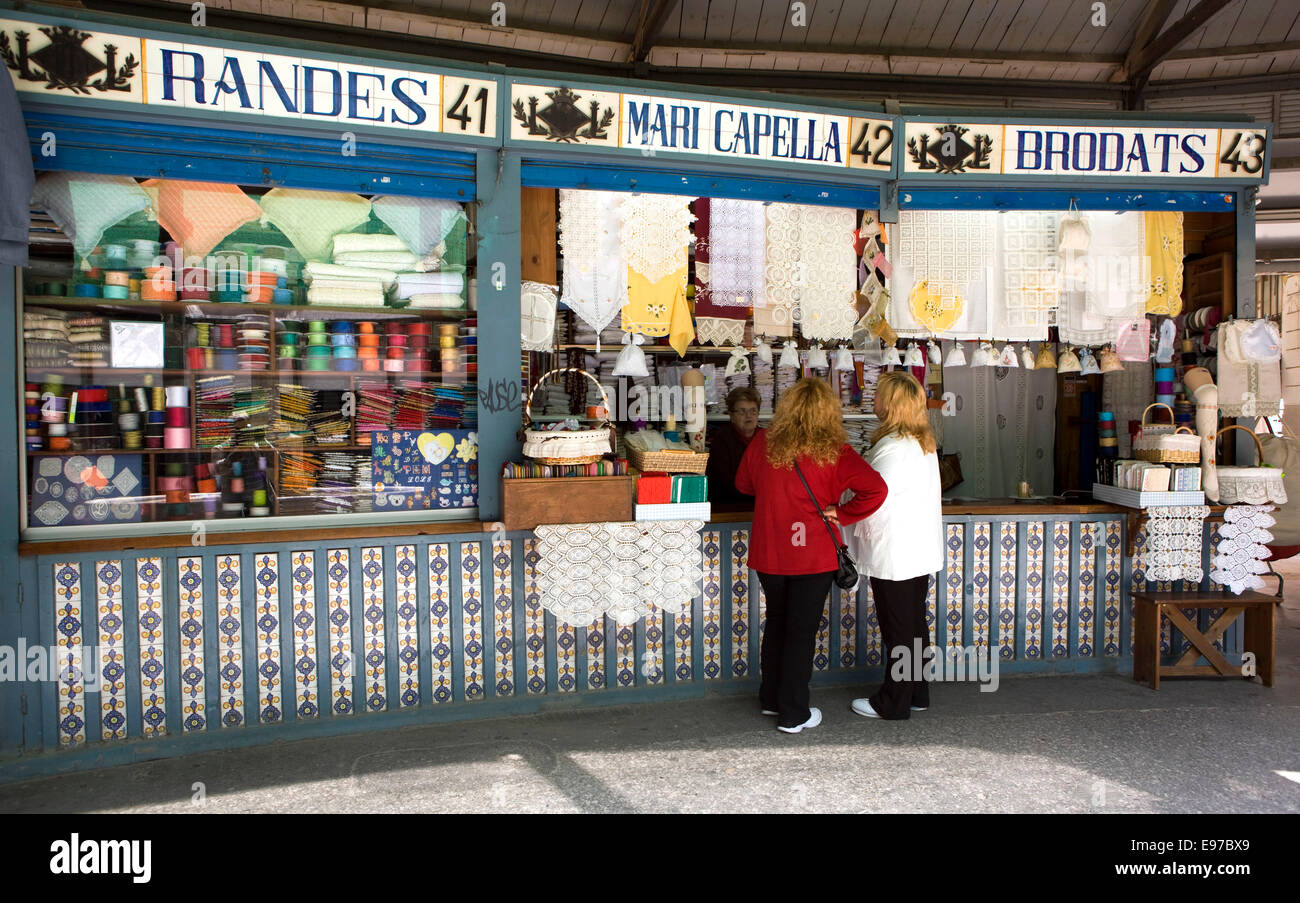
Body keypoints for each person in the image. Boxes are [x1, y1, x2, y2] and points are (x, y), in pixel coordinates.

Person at [736, 378, 888, 733]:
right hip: (813, 554)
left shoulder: (763, 442)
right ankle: (794, 713)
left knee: (776, 623)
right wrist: (843, 513)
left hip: (770, 551)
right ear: (828, 412)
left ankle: (772, 700)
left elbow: (743, 485)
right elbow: (876, 489)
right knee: (800, 631)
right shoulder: (836, 450)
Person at [846, 371, 944, 721]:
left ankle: (893, 702)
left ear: (890, 404)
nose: (873, 400)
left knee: (898, 629)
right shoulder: (920, 443)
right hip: (916, 549)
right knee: (915, 624)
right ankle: (917, 692)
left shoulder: (892, 448)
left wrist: (839, 513)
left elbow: (870, 495)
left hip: (896, 552)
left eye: (878, 395)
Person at [706, 387, 761, 507]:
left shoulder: (766, 438)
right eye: (742, 411)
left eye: (753, 411)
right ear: (731, 415)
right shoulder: (722, 440)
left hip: (761, 504)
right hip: (729, 507)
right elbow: (728, 483)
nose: (748, 416)